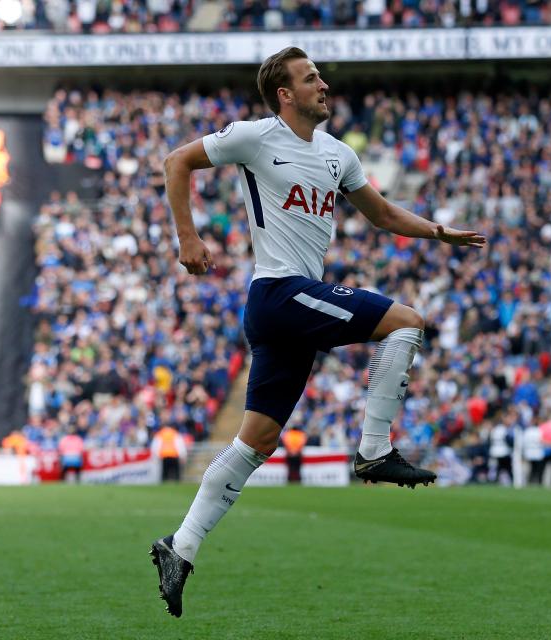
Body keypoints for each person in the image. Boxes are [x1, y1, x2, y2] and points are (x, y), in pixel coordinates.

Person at [149, 47, 485, 618]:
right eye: (311, 78)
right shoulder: (255, 137)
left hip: (292, 307)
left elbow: (380, 215)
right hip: (278, 293)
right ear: (286, 94)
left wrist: (437, 232)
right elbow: (177, 161)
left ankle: (179, 548)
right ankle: (373, 452)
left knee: (256, 441)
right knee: (407, 321)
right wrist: (188, 238)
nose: (323, 84)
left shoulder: (337, 155)